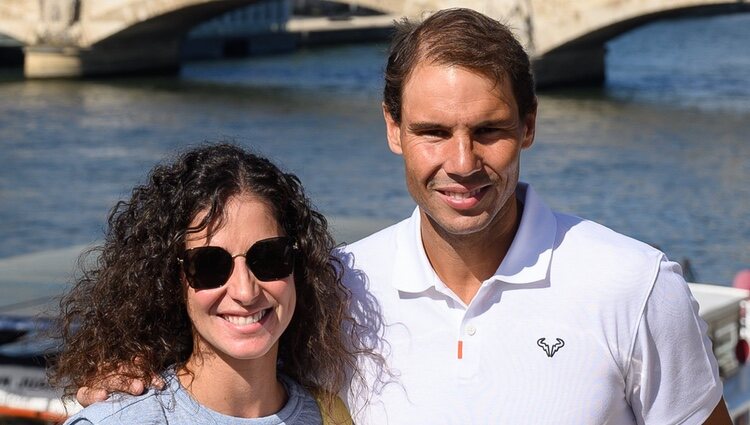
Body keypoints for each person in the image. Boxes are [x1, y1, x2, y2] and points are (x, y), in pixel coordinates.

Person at [76, 8, 732, 424]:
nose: (462, 161)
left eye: (490, 130)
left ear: (530, 125)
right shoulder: (339, 287)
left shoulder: (634, 284)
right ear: (393, 129)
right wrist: (130, 370)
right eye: (433, 131)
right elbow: (228, 340)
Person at [51, 143, 364, 424]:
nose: (245, 290)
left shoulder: (332, 415)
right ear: (172, 281)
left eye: (269, 258)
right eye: (210, 265)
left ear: (299, 265)